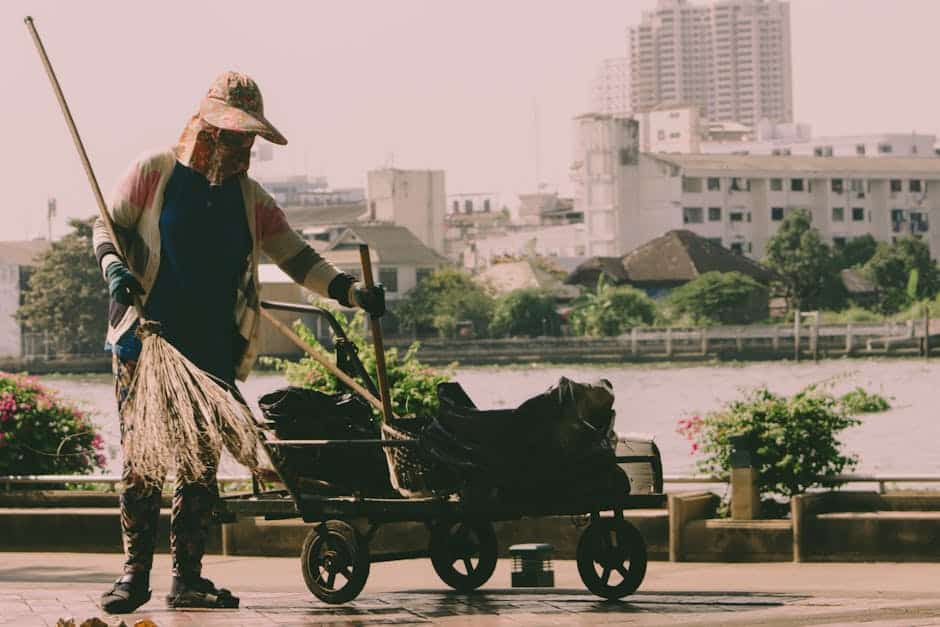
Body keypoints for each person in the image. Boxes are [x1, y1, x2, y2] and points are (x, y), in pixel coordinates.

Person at [94, 71, 385, 614]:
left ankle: (188, 579)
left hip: (211, 349)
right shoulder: (153, 173)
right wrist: (114, 269)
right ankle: (133, 575)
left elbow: (296, 257)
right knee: (143, 459)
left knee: (200, 466)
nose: (241, 146)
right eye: (231, 135)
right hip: (146, 342)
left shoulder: (251, 200)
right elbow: (107, 227)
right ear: (204, 129)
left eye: (247, 137)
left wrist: (350, 291)